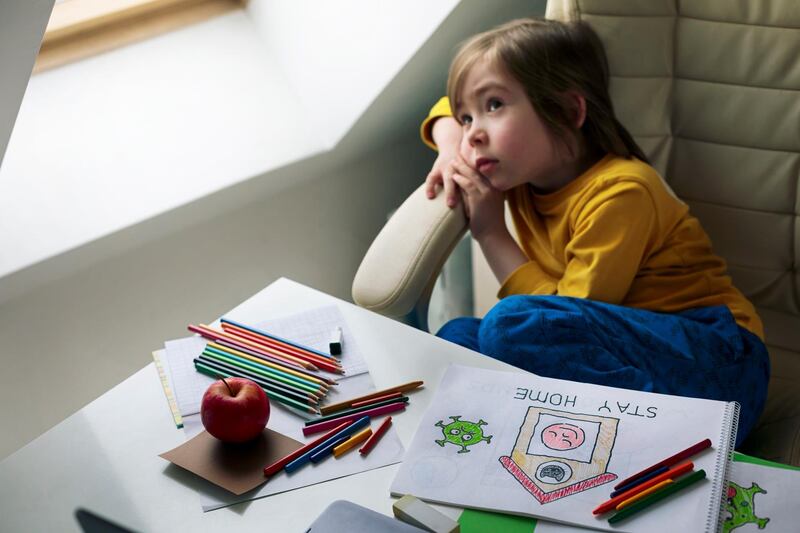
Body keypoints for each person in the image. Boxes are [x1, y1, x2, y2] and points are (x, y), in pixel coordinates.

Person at [420, 18, 769, 446]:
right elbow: (441, 109)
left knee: (508, 327)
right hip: (629, 347)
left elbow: (562, 316)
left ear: (569, 112)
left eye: (494, 105)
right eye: (467, 116)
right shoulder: (521, 170)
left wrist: (492, 233)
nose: (473, 133)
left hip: (721, 366)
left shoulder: (622, 192)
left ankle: (667, 439)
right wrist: (450, 143)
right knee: (456, 340)